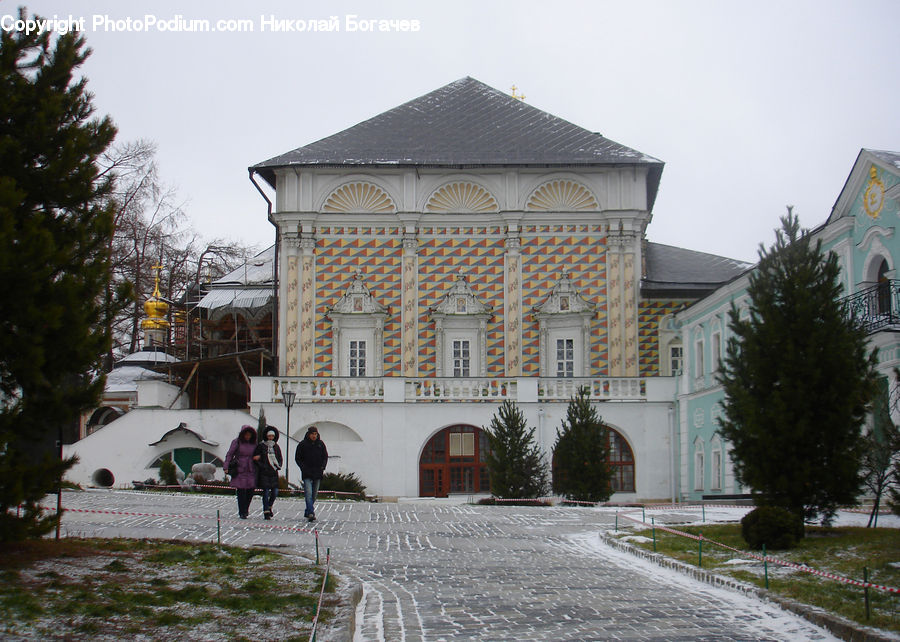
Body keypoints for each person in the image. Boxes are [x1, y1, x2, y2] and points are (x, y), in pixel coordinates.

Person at [295, 425, 328, 522]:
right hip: (307, 473)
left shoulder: (320, 444)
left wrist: (323, 466)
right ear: (308, 434)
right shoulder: (302, 444)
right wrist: (303, 467)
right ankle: (310, 512)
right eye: (312, 434)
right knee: (308, 493)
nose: (314, 436)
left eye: (315, 434)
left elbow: (325, 456)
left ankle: (308, 510)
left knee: (314, 495)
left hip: (318, 472)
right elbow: (298, 458)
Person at [225, 424, 257, 519]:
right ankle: (242, 511)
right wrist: (226, 466)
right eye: (246, 435)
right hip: (240, 468)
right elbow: (230, 454)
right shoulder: (236, 442)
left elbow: (258, 453)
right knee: (241, 491)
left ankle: (246, 509)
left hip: (251, 468)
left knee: (251, 490)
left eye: (249, 435)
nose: (247, 437)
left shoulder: (254, 443)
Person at [253, 425, 283, 520]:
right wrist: (263, 466)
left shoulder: (276, 447)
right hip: (264, 472)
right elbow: (256, 458)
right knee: (265, 492)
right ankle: (266, 510)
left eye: (272, 436)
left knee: (275, 492)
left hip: (273, 472)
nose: (270, 438)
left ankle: (270, 506)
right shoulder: (261, 446)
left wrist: (279, 466)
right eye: (269, 436)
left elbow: (280, 458)